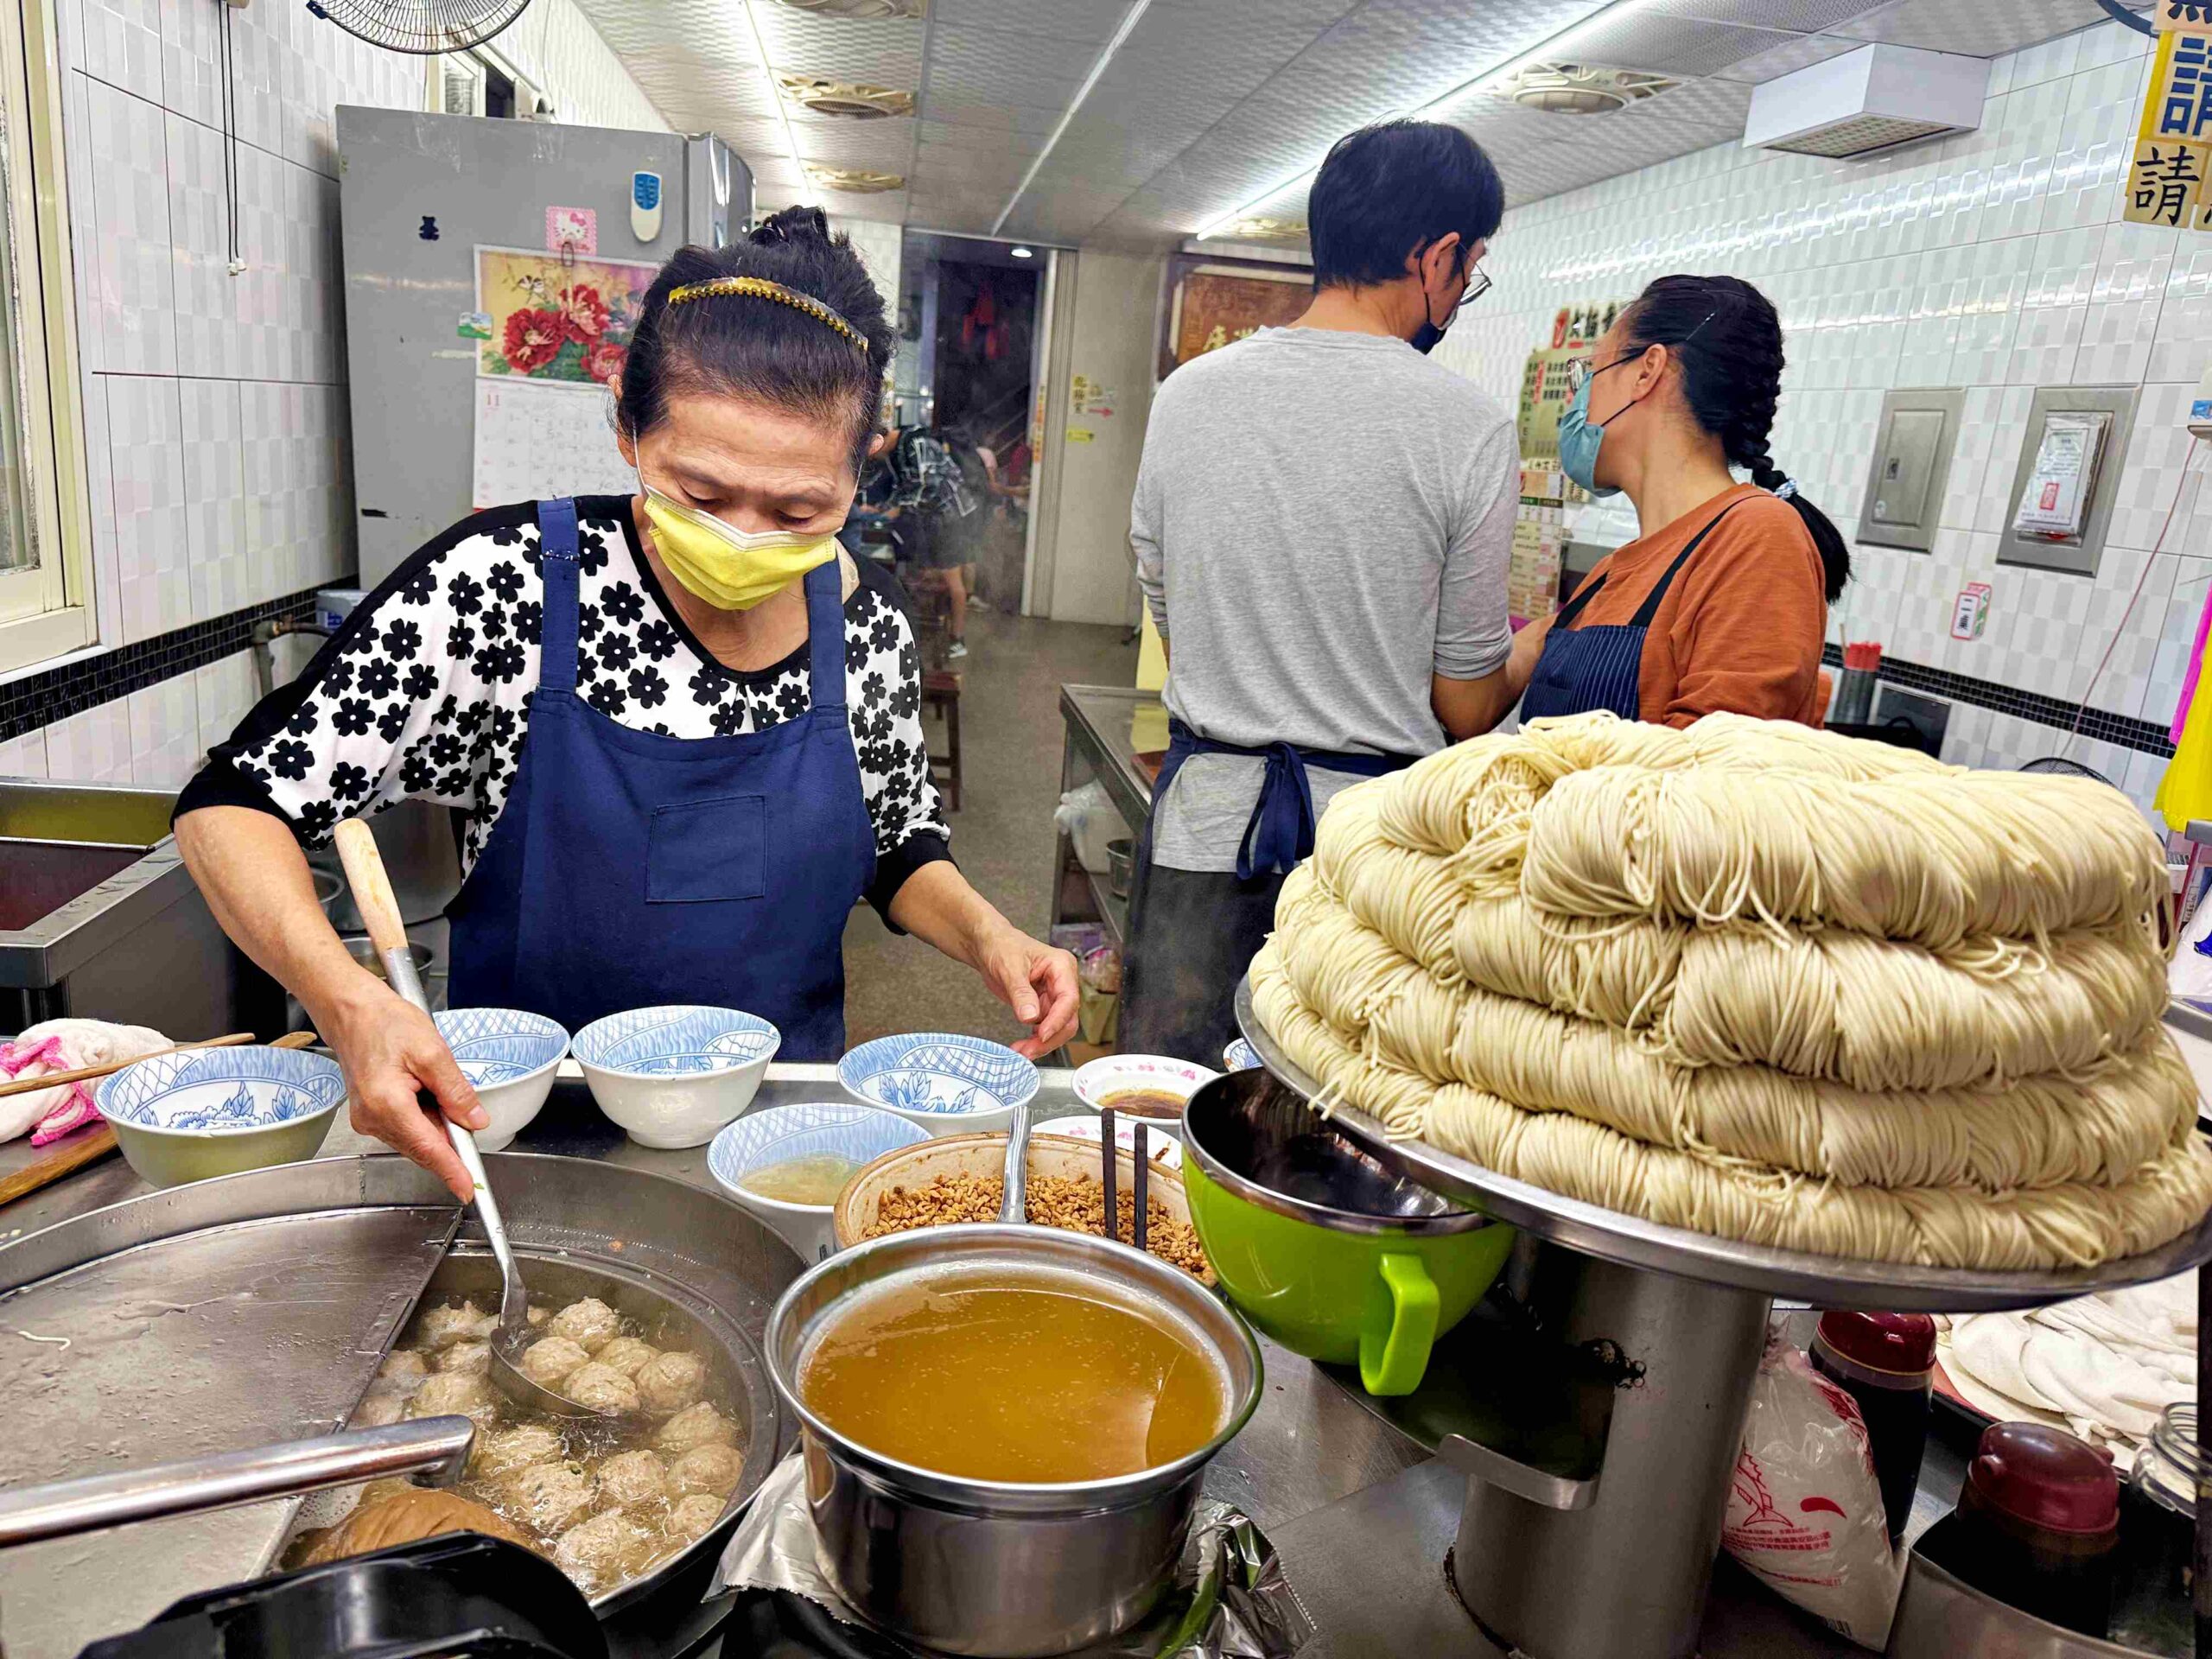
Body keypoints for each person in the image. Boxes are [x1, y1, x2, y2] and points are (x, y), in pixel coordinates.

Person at [172, 208, 1077, 1200]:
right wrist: (345, 1001)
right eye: (699, 492)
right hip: (513, 1137)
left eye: (798, 511)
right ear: (625, 429)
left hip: (780, 1140)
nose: (744, 540)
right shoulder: (508, 587)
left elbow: (896, 843)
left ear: (864, 470)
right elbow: (238, 804)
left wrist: (992, 934)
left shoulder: (865, 625)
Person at [1120, 119, 1522, 1065]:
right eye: (1469, 268)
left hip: (1204, 836)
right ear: (1435, 256)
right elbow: (1464, 706)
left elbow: (1176, 618)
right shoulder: (1467, 427)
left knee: (1171, 1110)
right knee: (1337, 1134)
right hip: (1372, 864)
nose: (1461, 291)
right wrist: (1532, 649)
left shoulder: (1188, 395)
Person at [1501, 273, 1847, 726]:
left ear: (1647, 371)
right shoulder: (1610, 576)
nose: (1577, 399)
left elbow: (1710, 767)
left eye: (1590, 373)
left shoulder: (1759, 538)